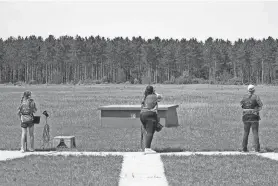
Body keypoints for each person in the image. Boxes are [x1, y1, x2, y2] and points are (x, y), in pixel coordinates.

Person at [240, 84, 263, 152]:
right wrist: (255, 110)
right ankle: (257, 149)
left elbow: (241, 105)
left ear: (248, 90)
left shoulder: (244, 97)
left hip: (245, 117)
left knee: (245, 133)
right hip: (254, 117)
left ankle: (244, 149)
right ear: (254, 90)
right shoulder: (256, 97)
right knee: (255, 132)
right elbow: (261, 106)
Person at [140, 85, 162, 154]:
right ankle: (147, 149)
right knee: (150, 132)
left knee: (146, 131)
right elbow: (161, 97)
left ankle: (144, 147)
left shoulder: (145, 97)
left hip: (142, 115)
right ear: (152, 91)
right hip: (150, 115)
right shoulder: (154, 96)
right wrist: (155, 93)